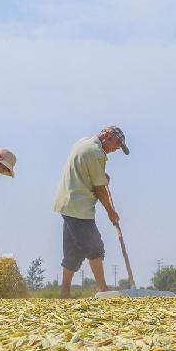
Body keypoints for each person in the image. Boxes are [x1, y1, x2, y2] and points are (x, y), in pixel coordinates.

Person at [53, 126, 128, 297]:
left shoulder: (83, 142)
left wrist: (102, 177)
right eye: (116, 144)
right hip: (79, 206)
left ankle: (64, 293)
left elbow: (87, 173)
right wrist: (111, 211)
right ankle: (103, 290)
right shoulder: (96, 153)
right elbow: (100, 189)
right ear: (107, 136)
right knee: (95, 247)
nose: (115, 149)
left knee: (74, 252)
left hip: (67, 202)